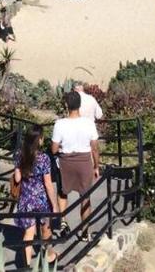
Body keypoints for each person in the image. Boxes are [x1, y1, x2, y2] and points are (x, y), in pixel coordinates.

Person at [51, 90, 100, 233]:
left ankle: (63, 220)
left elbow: (54, 149)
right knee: (85, 196)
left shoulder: (59, 124)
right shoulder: (88, 123)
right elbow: (95, 148)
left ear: (66, 105)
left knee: (62, 192)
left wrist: (61, 146)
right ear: (80, 105)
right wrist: (96, 166)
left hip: (65, 162)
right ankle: (85, 230)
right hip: (84, 162)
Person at [13, 125, 57, 267]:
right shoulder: (44, 158)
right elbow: (48, 184)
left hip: (26, 200)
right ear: (39, 140)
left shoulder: (20, 154)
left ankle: (26, 266)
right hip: (41, 199)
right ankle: (49, 256)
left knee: (29, 233)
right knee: (46, 228)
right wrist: (54, 204)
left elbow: (18, 179)